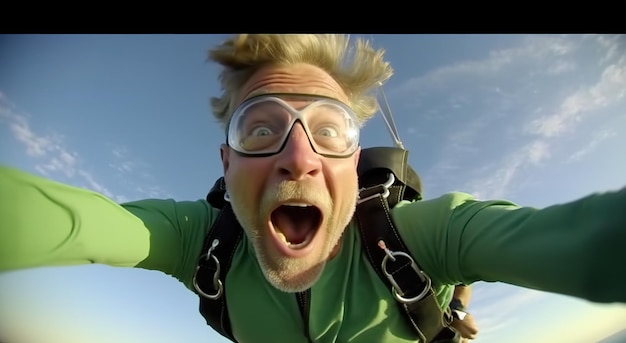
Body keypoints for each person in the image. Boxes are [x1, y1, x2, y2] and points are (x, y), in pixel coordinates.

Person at [1, 34, 625, 343]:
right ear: (226, 162)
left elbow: (585, 242)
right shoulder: (200, 239)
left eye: (329, 130)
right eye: (260, 127)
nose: (298, 156)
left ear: (355, 161)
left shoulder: (424, 233)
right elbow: (68, 220)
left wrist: (458, 284)